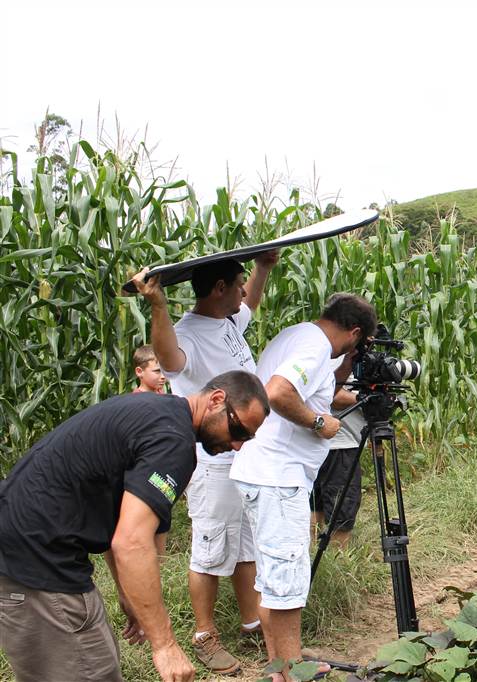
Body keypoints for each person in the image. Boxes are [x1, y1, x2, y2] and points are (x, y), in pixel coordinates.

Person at [0, 371, 269, 682]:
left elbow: (117, 520)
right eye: (237, 429)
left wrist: (128, 594)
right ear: (216, 400)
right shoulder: (173, 441)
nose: (236, 445)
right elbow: (131, 541)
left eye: (246, 438)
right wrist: (165, 645)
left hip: (28, 545)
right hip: (35, 558)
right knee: (93, 672)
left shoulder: (159, 415)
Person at [127, 252, 278, 675]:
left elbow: (251, 307)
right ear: (218, 289)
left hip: (242, 457)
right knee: (210, 548)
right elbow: (170, 359)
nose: (244, 290)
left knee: (245, 541)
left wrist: (264, 267)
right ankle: (204, 634)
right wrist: (157, 304)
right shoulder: (189, 334)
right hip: (213, 460)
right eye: (238, 282)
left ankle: (252, 622)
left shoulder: (226, 321)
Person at [230, 293, 377, 682]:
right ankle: (294, 671)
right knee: (288, 579)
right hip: (279, 476)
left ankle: (280, 664)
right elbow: (279, 392)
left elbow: (316, 387)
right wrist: (317, 423)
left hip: (263, 471)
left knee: (272, 576)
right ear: (355, 332)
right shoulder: (313, 346)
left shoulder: (298, 335)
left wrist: (345, 364)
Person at [310, 359, 365, 550]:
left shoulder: (332, 352)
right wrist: (364, 398)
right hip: (340, 444)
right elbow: (331, 395)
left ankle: (312, 557)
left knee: (316, 504)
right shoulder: (341, 355)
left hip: (328, 443)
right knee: (342, 511)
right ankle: (338, 562)